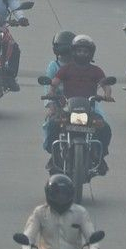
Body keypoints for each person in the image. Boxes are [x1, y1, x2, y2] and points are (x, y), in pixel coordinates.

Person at [18, 174, 101, 249]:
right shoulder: (40, 212)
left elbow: (91, 236)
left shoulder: (80, 213)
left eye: (64, 194)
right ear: (49, 194)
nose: (60, 198)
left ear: (70, 194)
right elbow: (29, 235)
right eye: (57, 193)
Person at [48, 35, 113, 165]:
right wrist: (51, 93)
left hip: (89, 110)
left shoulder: (96, 70)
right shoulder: (66, 69)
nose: (82, 54)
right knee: (52, 125)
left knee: (105, 128)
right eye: (79, 51)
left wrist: (107, 94)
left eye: (85, 51)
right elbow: (54, 83)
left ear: (91, 53)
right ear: (73, 52)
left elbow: (106, 85)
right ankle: (54, 156)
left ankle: (100, 156)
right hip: (68, 109)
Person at [42, 31, 78, 152]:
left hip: (80, 103)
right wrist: (51, 105)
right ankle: (53, 151)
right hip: (59, 104)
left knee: (101, 122)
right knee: (51, 124)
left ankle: (97, 150)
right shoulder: (53, 66)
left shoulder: (81, 65)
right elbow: (48, 86)